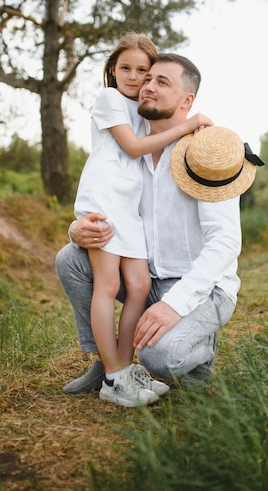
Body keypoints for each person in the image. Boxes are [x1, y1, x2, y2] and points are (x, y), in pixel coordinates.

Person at [56, 52, 263, 401]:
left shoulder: (205, 153)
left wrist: (175, 305)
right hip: (147, 279)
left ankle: (201, 352)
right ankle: (108, 364)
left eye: (161, 81)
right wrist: (77, 230)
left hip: (204, 287)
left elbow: (225, 243)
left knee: (158, 357)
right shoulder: (129, 150)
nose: (147, 85)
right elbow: (108, 204)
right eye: (147, 78)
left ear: (187, 101)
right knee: (69, 259)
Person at [72, 35, 213, 407]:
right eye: (126, 69)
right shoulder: (109, 99)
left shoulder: (143, 107)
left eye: (144, 71)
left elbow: (163, 125)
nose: (136, 78)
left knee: (138, 285)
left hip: (128, 206)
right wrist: (188, 125)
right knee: (107, 284)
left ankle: (126, 365)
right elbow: (133, 148)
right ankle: (113, 374)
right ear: (112, 71)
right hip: (106, 198)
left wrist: (192, 128)